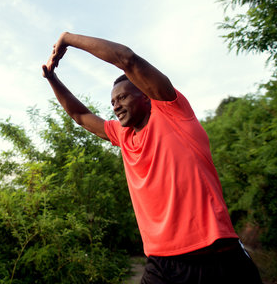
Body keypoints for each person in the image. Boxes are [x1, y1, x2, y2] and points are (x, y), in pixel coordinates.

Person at [42, 32, 263, 283]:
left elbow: (127, 59)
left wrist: (68, 39)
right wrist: (52, 79)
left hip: (213, 255)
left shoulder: (172, 111)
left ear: (145, 96)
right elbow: (80, 115)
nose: (115, 105)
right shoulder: (122, 135)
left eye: (122, 97)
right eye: (112, 101)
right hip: (160, 262)